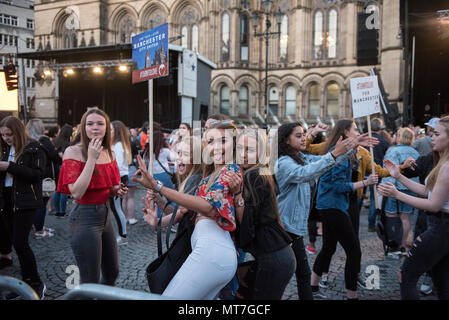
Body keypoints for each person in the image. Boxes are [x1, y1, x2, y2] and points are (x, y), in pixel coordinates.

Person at [133, 122, 241, 300]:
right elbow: (183, 212)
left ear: (234, 143)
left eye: (224, 140)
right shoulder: (211, 176)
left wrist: (157, 186)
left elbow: (208, 206)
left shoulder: (230, 170)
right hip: (213, 252)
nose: (217, 147)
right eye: (211, 141)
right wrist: (159, 218)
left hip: (211, 253)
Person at [275, 123, 361, 300]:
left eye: (303, 134)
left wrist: (350, 147)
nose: (304, 138)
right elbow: (307, 173)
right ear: (285, 140)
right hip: (284, 228)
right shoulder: (284, 162)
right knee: (279, 274)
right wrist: (335, 153)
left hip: (294, 228)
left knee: (303, 273)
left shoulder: (299, 156)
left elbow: (322, 163)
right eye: (298, 136)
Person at [218, 128, 296, 299]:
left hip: (275, 260)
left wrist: (237, 193)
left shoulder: (254, 176)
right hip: (275, 257)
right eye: (240, 149)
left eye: (250, 150)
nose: (243, 154)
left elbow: (246, 225)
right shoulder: (259, 172)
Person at [378, 116, 449, 300]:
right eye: (431, 133)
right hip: (441, 228)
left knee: (405, 275)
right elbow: (427, 192)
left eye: (437, 134)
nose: (431, 137)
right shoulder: (442, 162)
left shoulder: (447, 166)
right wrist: (398, 176)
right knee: (443, 284)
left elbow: (433, 204)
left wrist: (397, 194)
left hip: (441, 229)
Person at [57, 109, 127, 285]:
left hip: (105, 216)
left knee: (112, 273)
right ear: (83, 127)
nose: (95, 127)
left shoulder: (109, 152)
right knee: (90, 279)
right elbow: (77, 192)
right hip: (84, 219)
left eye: (100, 123)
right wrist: (91, 158)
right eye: (90, 124)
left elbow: (108, 186)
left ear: (106, 127)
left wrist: (116, 190)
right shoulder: (73, 151)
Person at [310, 119, 379, 300]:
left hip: (331, 205)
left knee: (328, 247)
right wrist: (366, 182)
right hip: (333, 206)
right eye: (355, 130)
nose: (358, 132)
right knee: (354, 251)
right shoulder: (339, 155)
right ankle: (352, 296)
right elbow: (339, 186)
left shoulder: (345, 150)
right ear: (346, 132)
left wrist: (357, 144)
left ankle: (313, 287)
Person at [0, 116, 47, 298]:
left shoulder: (34, 147)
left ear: (18, 132)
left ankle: (36, 283)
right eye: (3, 135)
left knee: (20, 242)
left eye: (9, 134)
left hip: (26, 202)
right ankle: (25, 284)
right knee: (16, 243)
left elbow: (37, 174)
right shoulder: (5, 147)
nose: (6, 138)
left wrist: (9, 166)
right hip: (8, 200)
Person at [381, 127, 420, 254]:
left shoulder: (393, 151)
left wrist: (385, 187)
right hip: (411, 187)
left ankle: (394, 245)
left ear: (399, 136)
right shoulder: (415, 152)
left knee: (391, 216)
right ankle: (402, 245)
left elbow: (389, 171)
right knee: (405, 217)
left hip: (395, 188)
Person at [26, 118, 59, 238]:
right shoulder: (44, 140)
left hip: (32, 175)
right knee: (41, 204)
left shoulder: (26, 141)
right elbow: (55, 156)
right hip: (45, 175)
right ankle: (39, 230)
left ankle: (36, 226)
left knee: (35, 203)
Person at [365, 118, 390, 232]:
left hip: (365, 172)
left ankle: (354, 220)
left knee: (360, 198)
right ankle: (371, 224)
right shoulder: (384, 142)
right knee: (374, 198)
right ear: (380, 128)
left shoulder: (364, 140)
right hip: (377, 173)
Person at [110, 121, 132, 243]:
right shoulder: (119, 144)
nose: (109, 132)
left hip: (118, 179)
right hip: (120, 178)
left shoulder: (118, 146)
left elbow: (116, 166)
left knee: (117, 208)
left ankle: (123, 236)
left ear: (117, 132)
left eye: (111, 130)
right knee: (116, 208)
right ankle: (122, 234)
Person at [52, 124, 73, 218]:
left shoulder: (55, 141)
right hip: (64, 167)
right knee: (63, 189)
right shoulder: (67, 143)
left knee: (57, 189)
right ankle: (62, 212)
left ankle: (57, 211)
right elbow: (65, 157)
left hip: (56, 166)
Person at [125, 127, 141, 225]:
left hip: (121, 171)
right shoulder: (132, 144)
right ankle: (130, 218)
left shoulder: (118, 145)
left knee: (123, 197)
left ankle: (123, 217)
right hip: (131, 169)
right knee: (130, 196)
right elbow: (136, 156)